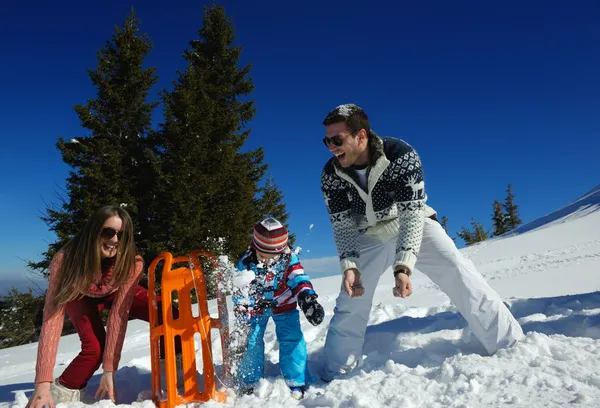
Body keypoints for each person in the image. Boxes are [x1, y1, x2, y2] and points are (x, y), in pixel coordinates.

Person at [319, 103, 524, 381]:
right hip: (367, 234)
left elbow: (412, 216)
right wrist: (350, 265)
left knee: (457, 271)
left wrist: (403, 266)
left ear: (361, 136)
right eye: (327, 140)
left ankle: (511, 345)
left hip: (413, 224)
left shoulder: (400, 155)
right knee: (352, 298)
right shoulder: (331, 175)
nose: (331, 147)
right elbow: (342, 225)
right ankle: (336, 373)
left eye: (337, 139)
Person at [26, 205, 171, 407]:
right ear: (94, 230)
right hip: (80, 294)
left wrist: (109, 369)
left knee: (167, 312)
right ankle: (62, 393)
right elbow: (52, 318)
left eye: (123, 234)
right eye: (108, 231)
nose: (114, 240)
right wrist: (42, 383)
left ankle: (174, 371)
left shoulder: (132, 262)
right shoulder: (66, 260)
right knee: (95, 348)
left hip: (115, 291)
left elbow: (119, 314)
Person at [232, 217, 325, 400]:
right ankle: (250, 381)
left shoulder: (289, 258)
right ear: (254, 246)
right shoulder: (246, 261)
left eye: (272, 256)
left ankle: (296, 380)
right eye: (262, 255)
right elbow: (240, 290)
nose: (267, 260)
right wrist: (243, 311)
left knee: (292, 339)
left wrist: (307, 299)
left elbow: (299, 279)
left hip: (285, 305)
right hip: (255, 307)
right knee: (251, 341)